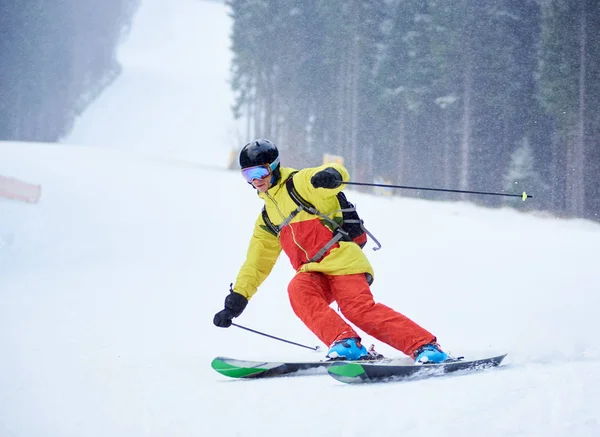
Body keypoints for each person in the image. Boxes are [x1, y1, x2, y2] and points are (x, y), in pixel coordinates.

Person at [213, 139, 449, 363]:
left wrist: (332, 176)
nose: (256, 180)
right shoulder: (267, 218)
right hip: (313, 271)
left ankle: (424, 346)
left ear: (274, 167)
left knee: (356, 309)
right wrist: (236, 301)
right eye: (248, 174)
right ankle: (346, 343)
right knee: (298, 289)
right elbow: (256, 263)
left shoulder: (300, 183)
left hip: (343, 260)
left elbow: (333, 171)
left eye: (260, 172)